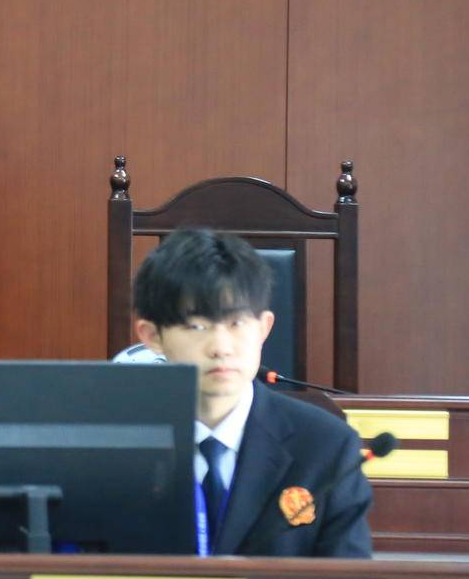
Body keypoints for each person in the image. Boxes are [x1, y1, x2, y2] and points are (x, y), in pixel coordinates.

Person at [132, 228, 372, 557]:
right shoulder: (115, 443)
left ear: (264, 327)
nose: (221, 347)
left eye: (237, 323)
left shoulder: (327, 447)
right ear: (151, 336)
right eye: (197, 326)